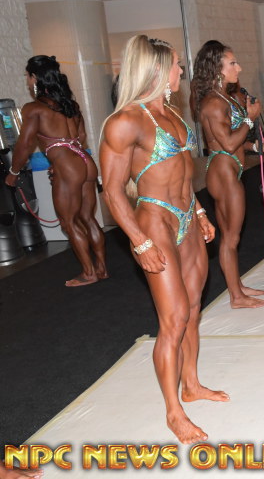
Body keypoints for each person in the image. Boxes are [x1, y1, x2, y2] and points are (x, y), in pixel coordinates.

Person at [100, 35, 223, 444]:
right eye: (176, 64)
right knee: (173, 320)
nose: (182, 70)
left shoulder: (172, 114)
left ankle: (192, 384)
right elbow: (112, 191)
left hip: (187, 216)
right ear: (156, 70)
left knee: (193, 309)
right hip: (154, 222)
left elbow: (185, 174)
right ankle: (174, 412)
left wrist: (200, 213)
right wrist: (139, 241)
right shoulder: (125, 122)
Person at [5, 55, 106, 287]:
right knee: (88, 218)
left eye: (28, 76)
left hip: (68, 167)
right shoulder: (71, 105)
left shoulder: (34, 109)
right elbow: (81, 137)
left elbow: (25, 144)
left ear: (36, 77)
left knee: (68, 222)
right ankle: (102, 269)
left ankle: (89, 273)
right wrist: (62, 160)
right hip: (86, 162)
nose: (27, 81)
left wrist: (14, 171)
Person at [192, 40, 264, 309]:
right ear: (217, 68)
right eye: (233, 63)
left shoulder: (223, 97)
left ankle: (237, 287)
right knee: (230, 237)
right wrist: (249, 118)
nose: (239, 67)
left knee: (231, 236)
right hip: (223, 173)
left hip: (229, 168)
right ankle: (236, 297)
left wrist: (253, 146)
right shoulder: (214, 103)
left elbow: (232, 141)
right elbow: (225, 143)